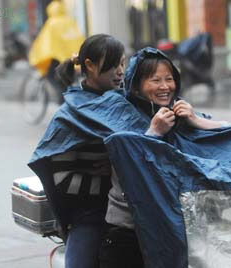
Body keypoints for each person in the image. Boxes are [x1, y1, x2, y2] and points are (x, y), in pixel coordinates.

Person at [99, 47, 230, 268]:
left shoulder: (181, 114)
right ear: (137, 86)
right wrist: (154, 133)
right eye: (155, 80)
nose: (164, 86)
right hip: (130, 234)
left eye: (169, 79)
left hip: (178, 232)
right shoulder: (119, 115)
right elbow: (129, 170)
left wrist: (197, 121)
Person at [28, 34, 147, 268]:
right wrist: (110, 178)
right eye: (112, 65)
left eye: (122, 63)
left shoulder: (130, 105)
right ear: (90, 66)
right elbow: (61, 178)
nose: (120, 71)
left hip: (134, 214)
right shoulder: (70, 116)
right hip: (92, 216)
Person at [28, 0, 85, 103]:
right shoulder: (70, 21)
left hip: (61, 60)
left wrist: (35, 57)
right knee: (68, 82)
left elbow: (43, 44)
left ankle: (64, 102)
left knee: (52, 77)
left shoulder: (52, 23)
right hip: (75, 59)